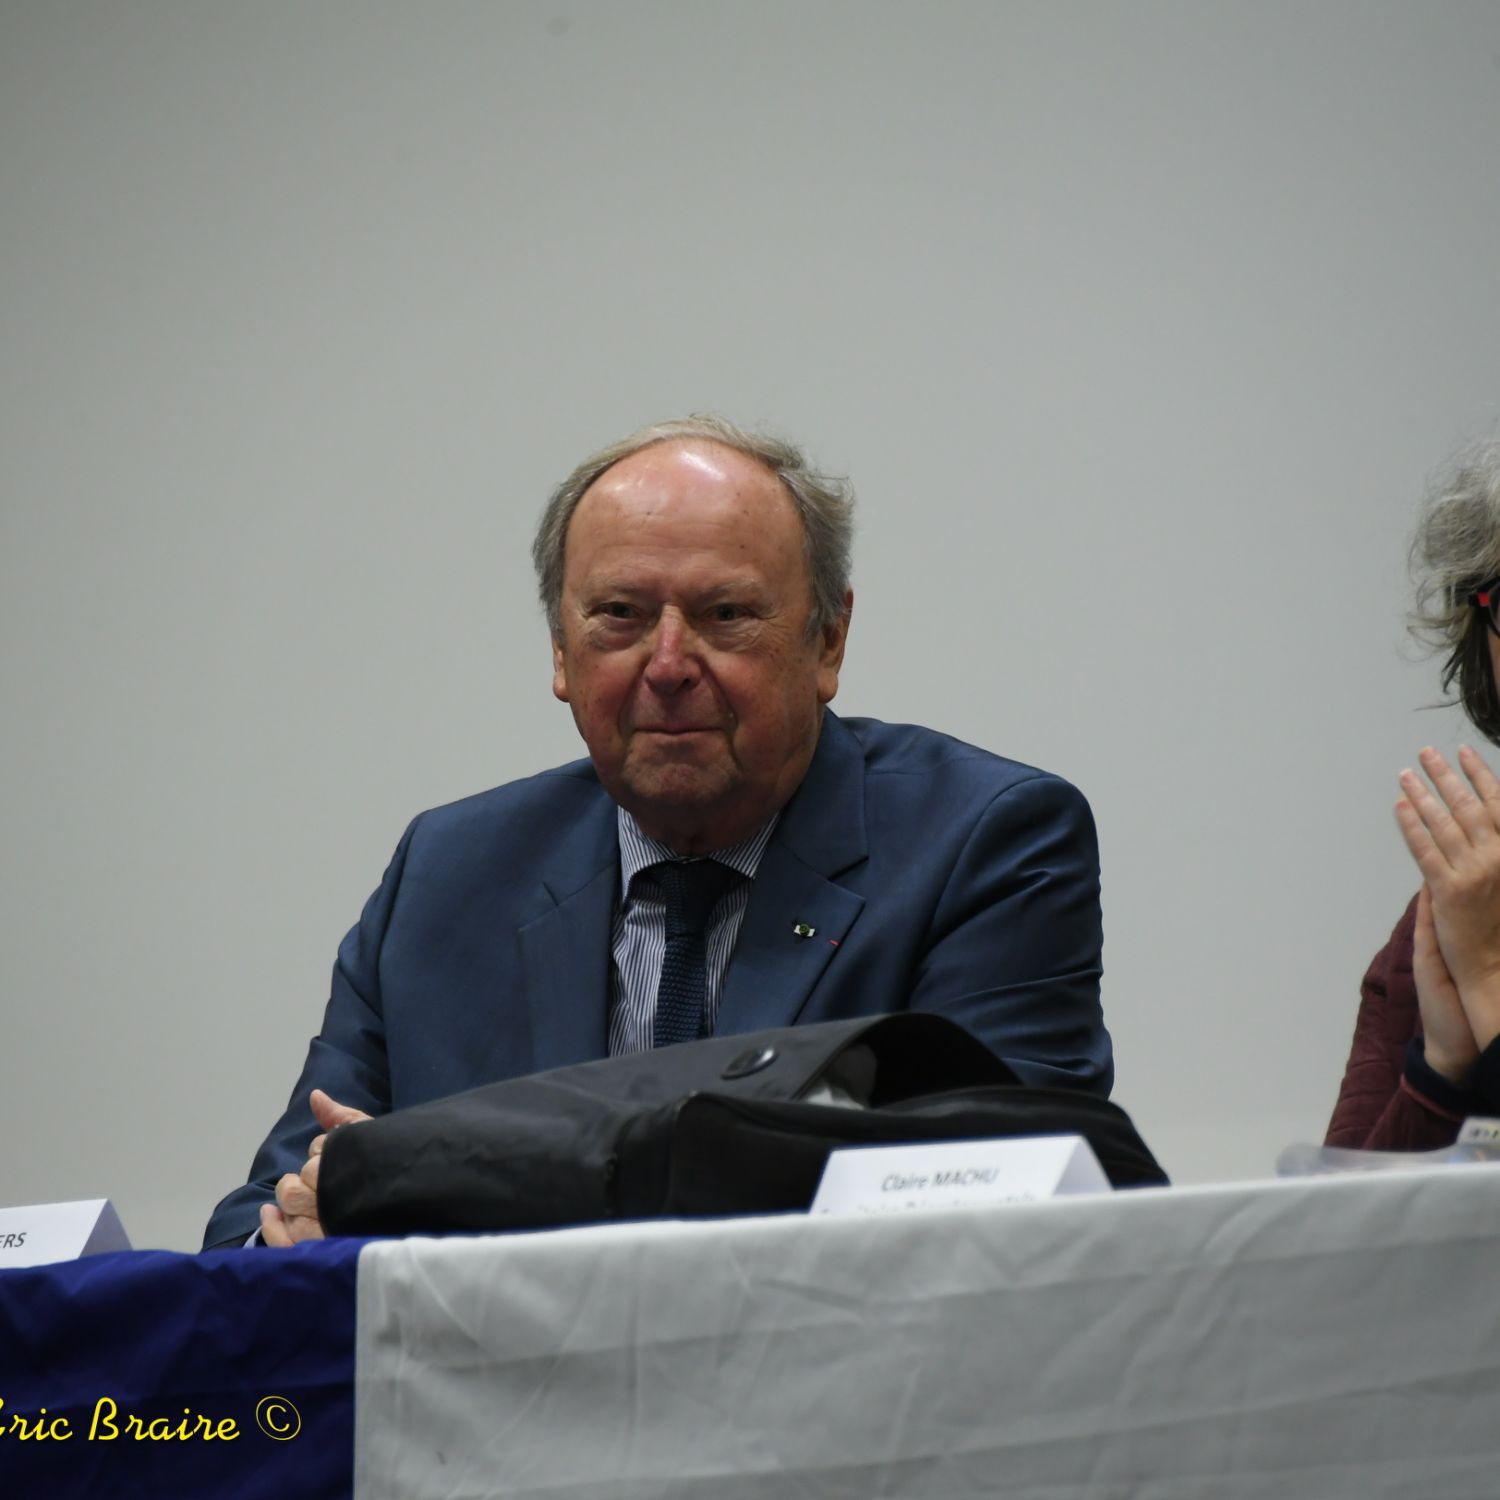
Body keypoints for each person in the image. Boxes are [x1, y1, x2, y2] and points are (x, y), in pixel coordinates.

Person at [204, 414, 1111, 1249]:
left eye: (725, 615)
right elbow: (256, 1222)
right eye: (620, 616)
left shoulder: (983, 846)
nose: (668, 665)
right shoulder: (447, 875)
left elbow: (1002, 1212)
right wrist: (305, 1231)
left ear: (828, 640)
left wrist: (434, 1196)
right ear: (561, 651)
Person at [1327, 442, 1500, 1150]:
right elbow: (1341, 1213)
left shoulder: (1476, 932)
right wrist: (1441, 1075)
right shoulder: (1457, 901)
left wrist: (1487, 979)